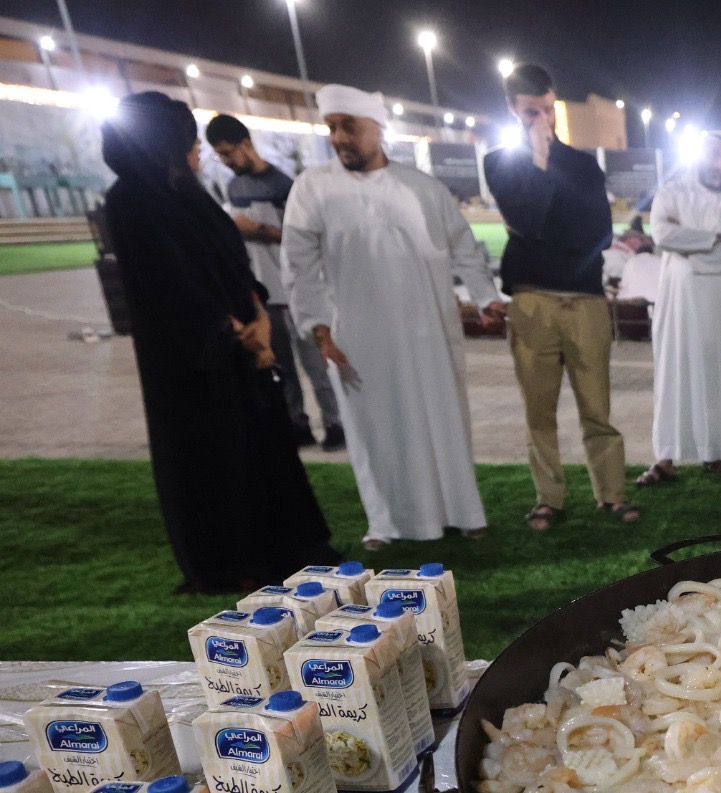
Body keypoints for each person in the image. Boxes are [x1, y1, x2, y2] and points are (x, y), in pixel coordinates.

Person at [100, 91, 338, 594]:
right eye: (188, 142)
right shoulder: (130, 202)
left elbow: (231, 259)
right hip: (193, 365)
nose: (197, 152)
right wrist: (238, 335)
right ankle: (232, 559)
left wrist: (257, 312)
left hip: (242, 352)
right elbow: (168, 287)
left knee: (264, 453)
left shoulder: (190, 193)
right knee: (214, 463)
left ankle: (286, 548)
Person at [282, 85, 504, 551]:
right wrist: (319, 328)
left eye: (350, 126)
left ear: (378, 129)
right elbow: (299, 266)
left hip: (429, 329)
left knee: (442, 419)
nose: (340, 137)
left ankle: (463, 512)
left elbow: (464, 247)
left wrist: (487, 299)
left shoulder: (422, 188)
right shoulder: (312, 188)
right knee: (373, 430)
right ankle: (385, 521)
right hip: (357, 337)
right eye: (332, 127)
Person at [483, 63, 637, 532]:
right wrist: (538, 160)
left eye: (547, 110)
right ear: (512, 108)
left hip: (585, 299)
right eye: (531, 112)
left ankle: (611, 495)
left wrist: (541, 228)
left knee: (598, 408)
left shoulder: (583, 164)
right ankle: (549, 498)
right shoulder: (500, 163)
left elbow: (599, 231)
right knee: (539, 409)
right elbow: (525, 215)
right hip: (533, 301)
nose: (542, 120)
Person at [204, 114, 344, 452]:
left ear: (246, 145)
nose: (225, 161)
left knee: (315, 364)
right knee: (280, 365)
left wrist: (259, 231)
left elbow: (306, 237)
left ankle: (335, 423)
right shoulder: (233, 187)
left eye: (228, 153)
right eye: (218, 155)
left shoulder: (285, 185)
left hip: (294, 288)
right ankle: (298, 423)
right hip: (261, 292)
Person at [635, 131, 721, 486]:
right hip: (678, 302)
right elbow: (662, 234)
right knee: (676, 371)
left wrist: (690, 254)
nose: (719, 165)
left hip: (720, 302)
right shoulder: (671, 194)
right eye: (714, 155)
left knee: (719, 370)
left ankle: (716, 451)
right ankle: (666, 458)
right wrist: (710, 240)